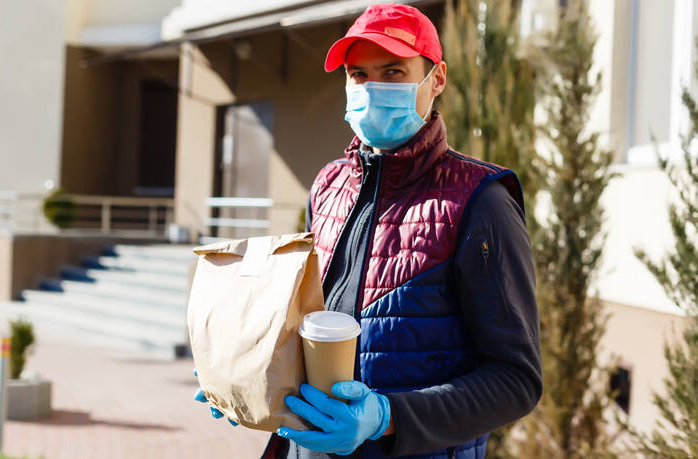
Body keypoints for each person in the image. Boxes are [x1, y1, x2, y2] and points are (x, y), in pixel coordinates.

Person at [196, 4, 542, 458]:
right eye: (358, 73)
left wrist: (386, 416)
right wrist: (250, 377)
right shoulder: (328, 185)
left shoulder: (480, 201)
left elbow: (516, 381)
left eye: (394, 71)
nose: (372, 88)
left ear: (436, 79)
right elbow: (308, 321)